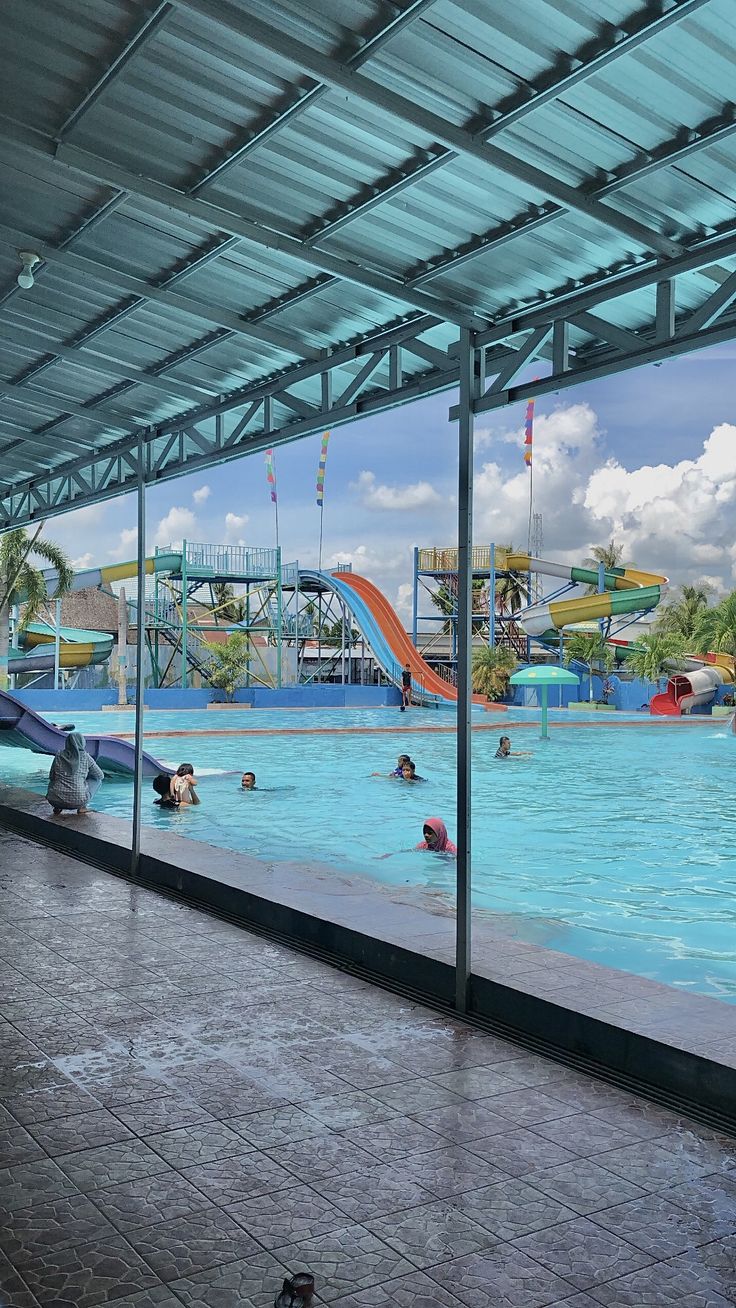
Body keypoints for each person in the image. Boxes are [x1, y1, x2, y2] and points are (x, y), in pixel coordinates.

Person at [46, 732, 104, 816]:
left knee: (55, 780)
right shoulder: (86, 757)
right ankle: (82, 808)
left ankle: (58, 807)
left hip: (54, 800)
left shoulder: (59, 755)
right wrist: (86, 776)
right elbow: (100, 776)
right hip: (78, 802)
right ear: (82, 742)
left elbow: (51, 776)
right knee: (97, 780)